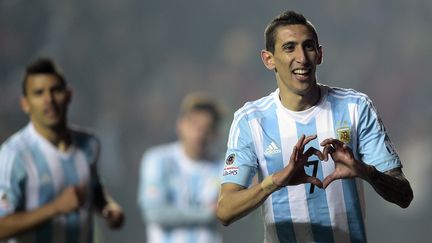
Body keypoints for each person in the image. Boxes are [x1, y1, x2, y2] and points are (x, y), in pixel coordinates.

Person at [216, 10, 413, 243]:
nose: (302, 57)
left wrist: (366, 172)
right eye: (289, 47)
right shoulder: (250, 120)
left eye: (308, 46)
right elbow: (225, 211)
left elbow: (404, 195)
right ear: (269, 59)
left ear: (319, 54)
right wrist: (275, 181)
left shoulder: (355, 107)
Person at [0, 58, 124, 242]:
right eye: (39, 93)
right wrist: (56, 207)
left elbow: (95, 188)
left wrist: (109, 207)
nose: (48, 100)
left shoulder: (89, 144)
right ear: (25, 104)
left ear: (69, 95)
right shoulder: (14, 155)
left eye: (55, 90)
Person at [138, 93, 224, 243]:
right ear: (180, 125)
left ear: (215, 133)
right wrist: (207, 213)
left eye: (207, 127)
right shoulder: (158, 160)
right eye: (194, 124)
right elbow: (154, 212)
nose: (200, 133)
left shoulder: (222, 167)